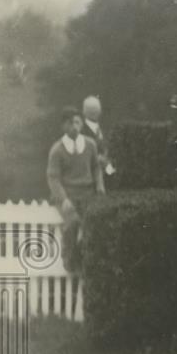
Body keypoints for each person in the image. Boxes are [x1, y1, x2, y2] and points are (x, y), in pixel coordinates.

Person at [47, 107, 105, 273]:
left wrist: (100, 188)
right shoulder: (57, 149)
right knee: (72, 222)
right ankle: (70, 261)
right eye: (70, 123)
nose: (74, 126)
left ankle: (88, 261)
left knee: (94, 224)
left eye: (77, 122)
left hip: (87, 195)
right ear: (63, 126)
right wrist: (63, 199)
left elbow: (96, 169)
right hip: (67, 197)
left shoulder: (90, 144)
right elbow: (53, 177)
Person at [81, 95, 115, 183]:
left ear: (100, 110)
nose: (94, 112)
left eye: (96, 109)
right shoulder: (81, 131)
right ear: (84, 112)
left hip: (109, 176)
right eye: (90, 109)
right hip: (91, 177)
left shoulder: (105, 128)